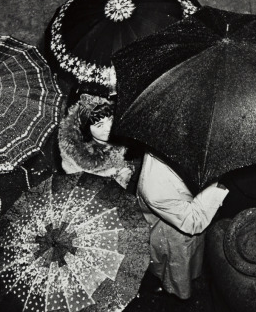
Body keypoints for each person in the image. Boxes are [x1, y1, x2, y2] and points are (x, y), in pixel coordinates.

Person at [137, 151, 229, 299]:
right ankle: (175, 293)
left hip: (184, 228)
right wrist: (220, 186)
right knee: (177, 272)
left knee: (190, 261)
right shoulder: (155, 186)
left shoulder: (169, 151)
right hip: (173, 236)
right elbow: (192, 221)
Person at [58, 93, 135, 189]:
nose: (108, 128)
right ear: (86, 129)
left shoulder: (124, 141)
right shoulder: (75, 157)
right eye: (99, 125)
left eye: (110, 120)